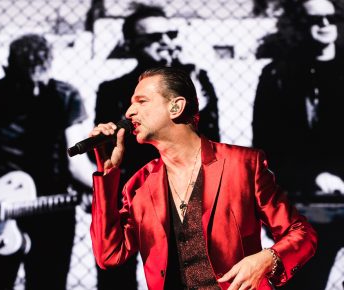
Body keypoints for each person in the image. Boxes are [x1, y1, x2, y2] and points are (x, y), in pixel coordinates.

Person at [88, 67, 317, 290]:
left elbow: (301, 232)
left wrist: (266, 259)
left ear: (176, 107)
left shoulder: (243, 165)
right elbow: (109, 255)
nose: (129, 112)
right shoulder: (139, 185)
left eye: (142, 101)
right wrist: (107, 174)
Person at [0, 33, 94, 290]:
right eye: (25, 83)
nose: (35, 91)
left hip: (51, 208)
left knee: (48, 283)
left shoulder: (64, 96)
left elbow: (75, 160)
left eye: (41, 83)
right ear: (7, 69)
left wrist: (100, 186)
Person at [94, 5, 220, 287]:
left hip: (184, 200)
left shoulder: (196, 83)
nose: (166, 42)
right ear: (130, 45)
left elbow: (212, 146)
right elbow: (109, 153)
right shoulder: (113, 91)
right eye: (153, 38)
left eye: (171, 34)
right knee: (116, 280)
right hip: (131, 199)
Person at [253, 0, 344, 288]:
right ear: (297, 24)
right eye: (314, 19)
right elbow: (267, 147)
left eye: (331, 17)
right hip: (309, 200)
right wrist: (314, 176)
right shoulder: (277, 75)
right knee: (307, 281)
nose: (325, 25)